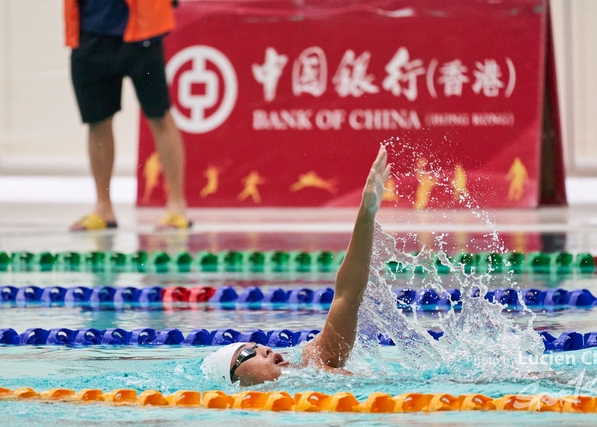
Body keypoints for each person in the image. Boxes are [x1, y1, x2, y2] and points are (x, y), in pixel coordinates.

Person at [202, 146, 391, 386]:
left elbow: (346, 295)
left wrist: (366, 213)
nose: (266, 350)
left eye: (260, 346)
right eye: (249, 353)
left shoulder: (313, 363)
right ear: (236, 381)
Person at [64, 0, 191, 231]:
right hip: (89, 34)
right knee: (97, 121)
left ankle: (177, 205)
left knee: (160, 115)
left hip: (142, 33)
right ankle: (103, 207)